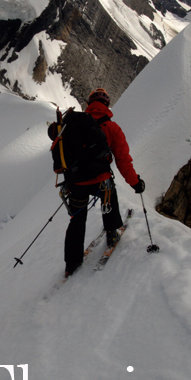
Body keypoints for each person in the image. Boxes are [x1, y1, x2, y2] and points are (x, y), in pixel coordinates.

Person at [64, 88, 145, 277]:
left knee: (77, 219)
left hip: (76, 183)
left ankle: (72, 264)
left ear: (89, 105)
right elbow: (123, 160)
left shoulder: (74, 125)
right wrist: (135, 183)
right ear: (106, 105)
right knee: (109, 199)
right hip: (101, 181)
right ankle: (111, 232)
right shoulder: (112, 128)